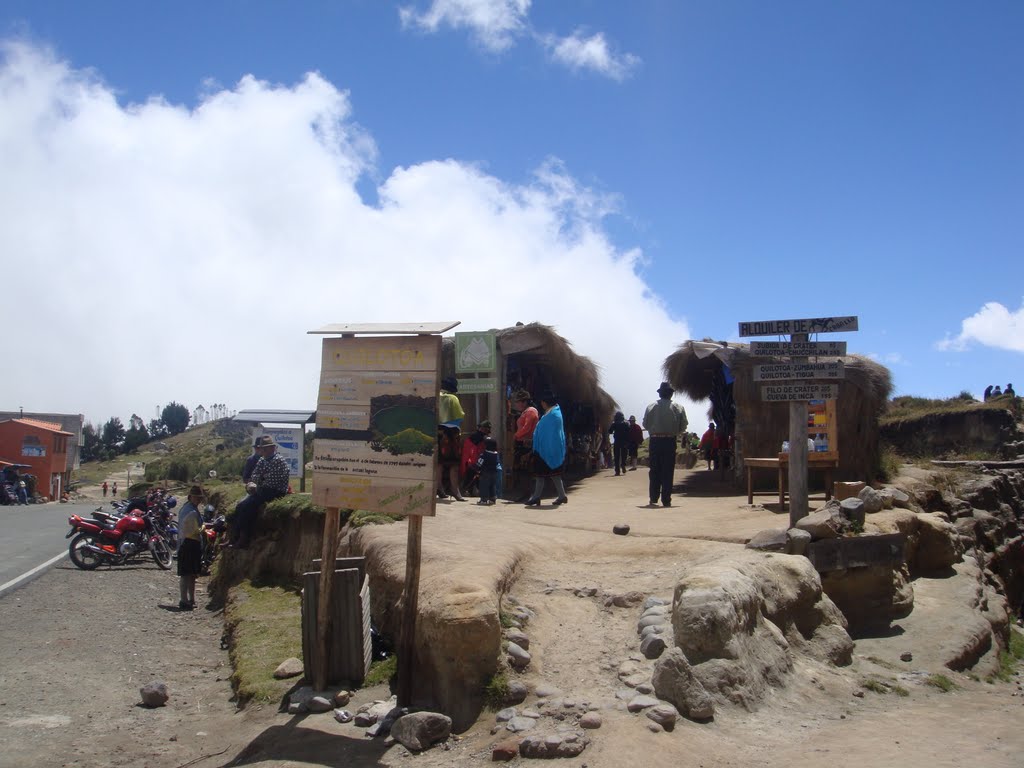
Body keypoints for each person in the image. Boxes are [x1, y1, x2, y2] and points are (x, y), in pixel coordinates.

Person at [228, 435, 290, 549]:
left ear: (272, 448)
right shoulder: (262, 460)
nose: (263, 451)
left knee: (248, 506)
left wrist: (259, 480)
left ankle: (244, 539)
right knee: (240, 505)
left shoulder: (278, 461)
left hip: (275, 491)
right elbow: (254, 476)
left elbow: (271, 482)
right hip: (262, 489)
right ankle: (234, 537)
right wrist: (261, 479)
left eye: (266, 448)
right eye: (262, 448)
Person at [643, 382, 687, 507]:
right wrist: (675, 431)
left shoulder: (651, 407)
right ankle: (666, 499)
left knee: (655, 469)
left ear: (660, 393)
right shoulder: (678, 407)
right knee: (668, 470)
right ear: (671, 394)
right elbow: (683, 425)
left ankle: (653, 498)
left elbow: (645, 424)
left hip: (655, 441)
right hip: (670, 440)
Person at [525, 392, 568, 507]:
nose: (542, 404)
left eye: (542, 402)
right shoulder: (553, 413)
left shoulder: (553, 415)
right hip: (548, 448)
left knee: (541, 474)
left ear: (545, 403)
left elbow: (548, 433)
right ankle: (561, 496)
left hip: (547, 450)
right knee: (553, 474)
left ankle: (536, 497)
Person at [436, 377, 466, 501]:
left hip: (438, 431)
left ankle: (439, 487)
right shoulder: (453, 398)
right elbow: (460, 416)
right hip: (452, 433)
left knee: (439, 463)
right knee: (454, 463)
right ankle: (455, 490)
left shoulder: (436, 396)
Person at [176, 485, 205, 610]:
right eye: (196, 497)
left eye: (199, 498)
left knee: (192, 574)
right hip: (189, 543)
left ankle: (191, 599)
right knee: (186, 574)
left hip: (191, 543)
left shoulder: (189, 508)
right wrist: (204, 528)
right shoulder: (191, 511)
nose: (198, 500)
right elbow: (193, 530)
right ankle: (184, 600)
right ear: (190, 497)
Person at [460, 420, 492, 496]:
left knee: (473, 477)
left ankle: (470, 491)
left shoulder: (478, 437)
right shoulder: (479, 437)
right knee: (472, 476)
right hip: (474, 461)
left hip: (473, 460)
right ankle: (467, 491)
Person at [475, 437, 502, 506]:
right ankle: (492, 499)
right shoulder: (496, 454)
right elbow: (497, 462)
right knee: (492, 486)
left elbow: (479, 463)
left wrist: (476, 469)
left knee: (484, 485)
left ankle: (483, 500)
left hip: (485, 473)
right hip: (494, 473)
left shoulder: (484, 454)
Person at [608, 412, 630, 476]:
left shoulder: (614, 424)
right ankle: (623, 464)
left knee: (616, 456)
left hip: (617, 441)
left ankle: (617, 471)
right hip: (624, 441)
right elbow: (629, 432)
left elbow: (610, 431)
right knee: (624, 455)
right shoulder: (626, 423)